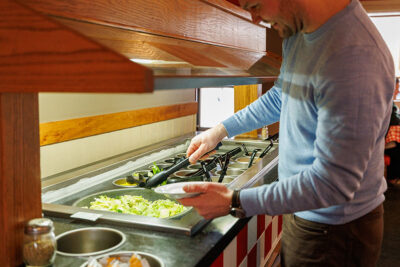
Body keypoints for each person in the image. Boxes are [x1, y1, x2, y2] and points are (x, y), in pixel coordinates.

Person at [178, 0, 395, 266]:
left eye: (254, 5)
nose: (255, 19)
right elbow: (282, 96)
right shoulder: (298, 33)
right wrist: (220, 131)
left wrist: (235, 200)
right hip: (305, 211)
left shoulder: (354, 57)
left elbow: (334, 184)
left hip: (336, 231)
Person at [384, 77, 400, 186]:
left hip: (388, 137)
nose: (398, 91)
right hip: (383, 140)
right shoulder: (386, 103)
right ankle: (392, 177)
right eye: (397, 88)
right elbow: (394, 119)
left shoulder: (390, 103)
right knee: (396, 147)